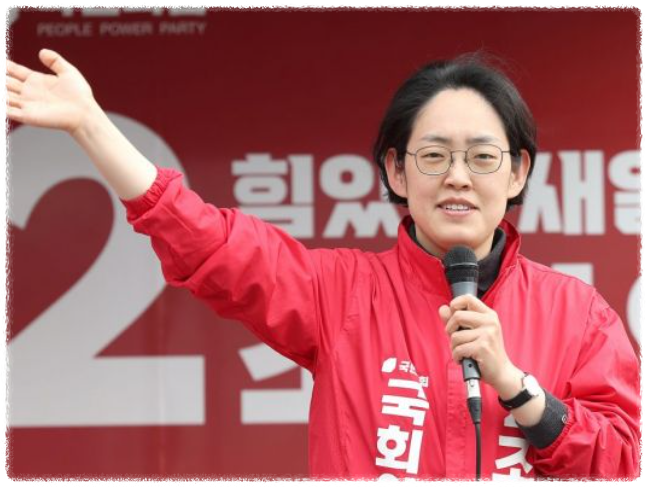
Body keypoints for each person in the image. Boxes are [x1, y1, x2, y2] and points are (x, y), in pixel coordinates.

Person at [6, 49, 640, 480]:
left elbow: (623, 463)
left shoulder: (577, 314)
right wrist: (91, 126)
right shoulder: (340, 292)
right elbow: (210, 242)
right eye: (432, 156)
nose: (456, 177)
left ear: (517, 172)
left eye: (481, 157)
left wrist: (520, 389)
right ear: (395, 171)